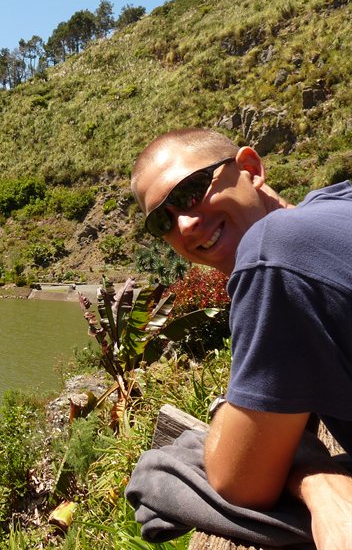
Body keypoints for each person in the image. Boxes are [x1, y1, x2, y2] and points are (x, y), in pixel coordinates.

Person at [129, 128, 352, 549]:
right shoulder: (336, 201)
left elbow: (241, 482)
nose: (186, 223)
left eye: (192, 190)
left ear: (250, 168)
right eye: (163, 219)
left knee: (159, 474)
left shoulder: (269, 255)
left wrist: (315, 478)